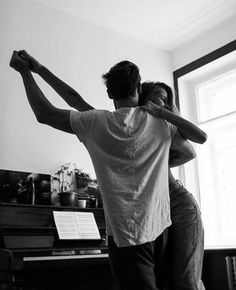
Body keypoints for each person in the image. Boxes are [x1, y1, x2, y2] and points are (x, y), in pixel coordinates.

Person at [10, 51, 206, 290]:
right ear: (138, 90)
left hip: (140, 226)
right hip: (159, 225)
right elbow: (196, 143)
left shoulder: (96, 123)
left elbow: (47, 112)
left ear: (110, 94)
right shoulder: (158, 124)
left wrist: (28, 72)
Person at [139, 81, 206, 290]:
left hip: (178, 204)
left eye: (167, 100)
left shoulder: (163, 125)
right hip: (153, 206)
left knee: (185, 279)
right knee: (166, 278)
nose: (164, 103)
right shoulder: (135, 124)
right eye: (160, 97)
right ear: (144, 96)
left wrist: (161, 112)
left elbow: (195, 145)